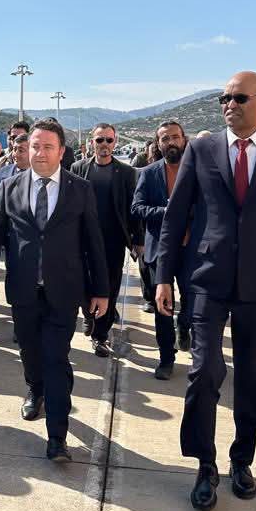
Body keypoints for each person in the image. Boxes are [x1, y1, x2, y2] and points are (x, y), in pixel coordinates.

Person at [155, 71, 256, 511]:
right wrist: (164, 276)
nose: (229, 104)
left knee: (252, 377)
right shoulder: (202, 149)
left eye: (239, 98)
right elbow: (176, 215)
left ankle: (241, 460)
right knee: (204, 371)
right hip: (207, 279)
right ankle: (204, 464)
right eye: (224, 98)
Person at [0, 118, 109, 461]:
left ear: (61, 151)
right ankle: (35, 388)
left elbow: (93, 242)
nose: (40, 153)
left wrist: (100, 290)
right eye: (35, 146)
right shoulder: (10, 186)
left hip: (63, 291)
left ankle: (57, 437)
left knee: (56, 357)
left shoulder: (79, 189)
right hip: (23, 290)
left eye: (48, 147)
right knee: (31, 352)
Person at [70, 123, 144, 357]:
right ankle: (88, 314)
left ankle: (100, 335)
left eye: (109, 140)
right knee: (83, 283)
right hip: (83, 239)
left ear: (115, 142)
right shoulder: (78, 168)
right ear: (92, 142)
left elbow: (133, 209)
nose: (104, 144)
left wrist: (137, 239)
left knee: (110, 288)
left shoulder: (126, 173)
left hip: (112, 241)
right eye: (100, 140)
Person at [131, 121, 197, 379]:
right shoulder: (149, 173)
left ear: (184, 139)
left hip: (191, 250)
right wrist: (166, 212)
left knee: (192, 303)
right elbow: (137, 208)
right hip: (159, 251)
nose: (171, 142)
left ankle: (184, 325)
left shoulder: (197, 170)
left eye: (175, 137)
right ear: (158, 144)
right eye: (165, 139)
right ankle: (166, 359)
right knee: (162, 307)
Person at [0, 133, 30, 228]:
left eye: (21, 150)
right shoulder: (3, 173)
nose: (15, 154)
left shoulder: (40, 176)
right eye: (14, 149)